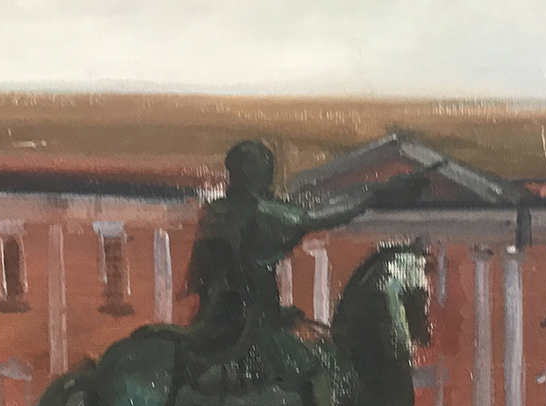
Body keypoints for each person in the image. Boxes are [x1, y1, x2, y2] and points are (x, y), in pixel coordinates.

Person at [183, 139, 437, 359]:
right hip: (251, 333)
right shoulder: (259, 212)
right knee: (322, 369)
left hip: (214, 323)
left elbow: (233, 277)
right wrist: (379, 192)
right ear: (257, 174)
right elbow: (317, 216)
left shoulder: (214, 212)